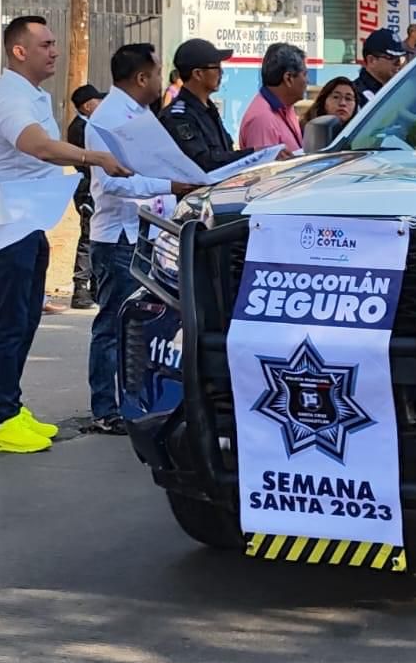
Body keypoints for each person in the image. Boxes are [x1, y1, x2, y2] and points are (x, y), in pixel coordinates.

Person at [0, 15, 129, 455]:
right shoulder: (10, 99)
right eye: (45, 44)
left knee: (27, 318)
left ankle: (12, 407)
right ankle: (2, 418)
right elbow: (38, 146)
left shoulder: (32, 94)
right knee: (10, 322)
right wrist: (93, 156)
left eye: (55, 43)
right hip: (9, 225)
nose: (55, 50)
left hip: (31, 221)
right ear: (19, 51)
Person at [85, 43, 198, 435]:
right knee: (113, 322)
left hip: (148, 230)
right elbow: (112, 183)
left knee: (146, 323)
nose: (161, 79)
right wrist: (173, 183)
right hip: (118, 235)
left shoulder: (143, 114)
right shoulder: (107, 119)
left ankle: (138, 400)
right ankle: (105, 407)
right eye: (156, 71)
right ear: (142, 77)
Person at [163, 38, 254, 173]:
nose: (221, 73)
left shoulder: (208, 109)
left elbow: (226, 151)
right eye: (216, 68)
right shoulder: (178, 117)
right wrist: (253, 155)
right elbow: (204, 163)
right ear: (198, 74)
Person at [66, 84, 104, 310]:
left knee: (98, 237)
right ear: (88, 106)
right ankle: (80, 288)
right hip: (88, 190)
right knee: (88, 238)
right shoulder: (80, 128)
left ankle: (96, 288)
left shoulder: (93, 125)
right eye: (98, 102)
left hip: (96, 188)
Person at [238, 42, 307, 154]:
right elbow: (264, 169)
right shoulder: (262, 120)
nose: (307, 81)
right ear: (288, 78)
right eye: (304, 75)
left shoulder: (286, 107)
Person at [353, 28, 407, 106]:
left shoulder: (401, 92)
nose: (399, 64)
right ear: (371, 60)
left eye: (401, 58)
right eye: (392, 58)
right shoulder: (353, 96)